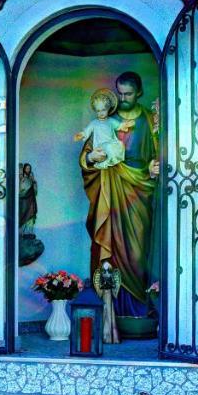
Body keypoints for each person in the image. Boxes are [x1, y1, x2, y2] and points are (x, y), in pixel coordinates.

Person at [80, 70, 160, 319]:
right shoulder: (106, 120)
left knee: (137, 253)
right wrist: (90, 158)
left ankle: (138, 308)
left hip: (139, 189)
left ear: (139, 93)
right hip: (111, 188)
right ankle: (111, 312)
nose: (123, 98)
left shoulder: (149, 119)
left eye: (129, 94)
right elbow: (86, 154)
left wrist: (154, 166)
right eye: (120, 93)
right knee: (111, 248)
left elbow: (163, 151)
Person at [72, 88, 132, 170]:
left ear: (108, 109)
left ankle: (111, 160)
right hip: (101, 146)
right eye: (98, 111)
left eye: (103, 110)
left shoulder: (110, 121)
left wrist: (125, 125)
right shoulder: (94, 123)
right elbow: (87, 131)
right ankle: (104, 162)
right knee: (107, 150)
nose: (101, 113)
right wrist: (81, 135)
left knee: (120, 146)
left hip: (110, 143)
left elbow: (119, 126)